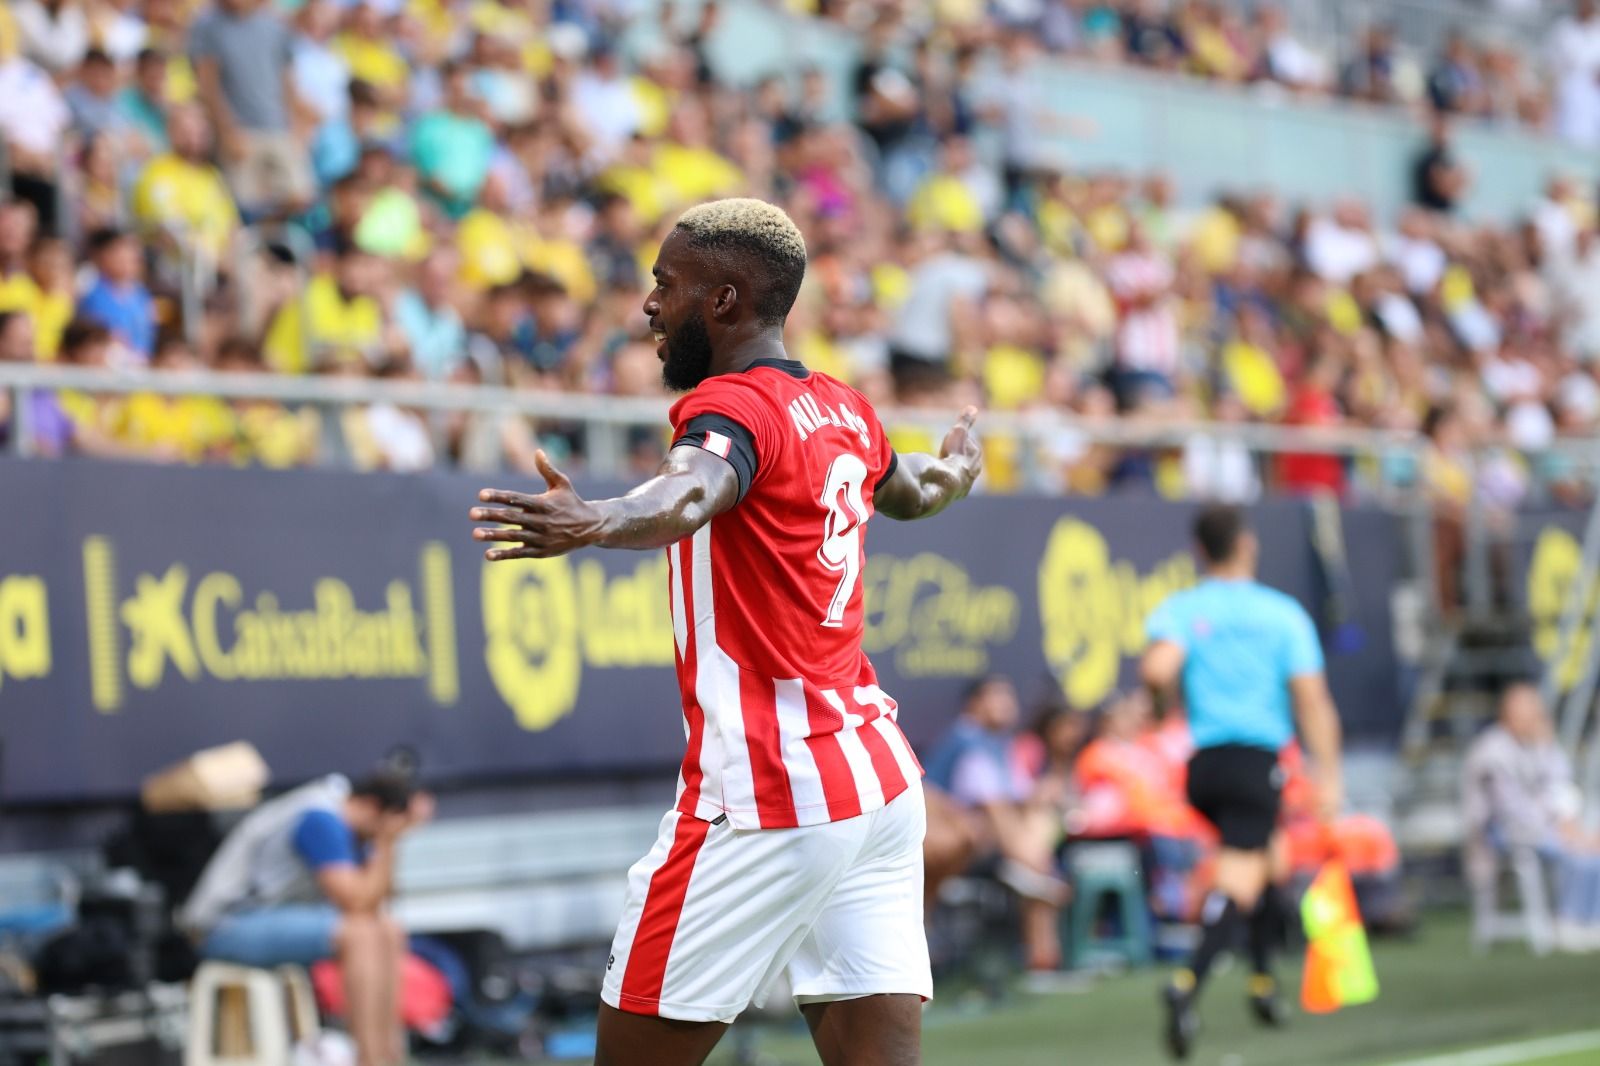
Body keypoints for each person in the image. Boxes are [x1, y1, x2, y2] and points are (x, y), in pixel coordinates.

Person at [469, 197, 983, 1066]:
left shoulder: (730, 408)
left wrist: (595, 519)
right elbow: (916, 492)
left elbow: (693, 490)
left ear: (725, 302)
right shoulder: (845, 408)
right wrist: (959, 473)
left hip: (768, 794)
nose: (648, 306)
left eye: (666, 285)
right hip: (877, 785)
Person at [1141, 504, 1343, 1060]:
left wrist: (1162, 708)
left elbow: (1157, 670)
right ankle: (1186, 985)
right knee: (1242, 877)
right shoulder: (1282, 615)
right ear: (1247, 545)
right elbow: (1314, 703)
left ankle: (1262, 983)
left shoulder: (1186, 607)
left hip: (1204, 767)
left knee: (1270, 858)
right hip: (1258, 765)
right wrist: (1330, 775)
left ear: (1200, 552)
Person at [180, 769, 433, 1066]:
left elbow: (379, 903)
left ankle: (391, 1058)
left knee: (388, 930)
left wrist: (386, 846)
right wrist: (387, 843)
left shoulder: (353, 826)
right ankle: (369, 1059)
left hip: (266, 918)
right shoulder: (320, 818)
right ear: (374, 807)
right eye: (401, 825)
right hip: (222, 926)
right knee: (360, 935)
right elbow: (356, 902)